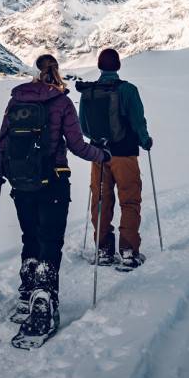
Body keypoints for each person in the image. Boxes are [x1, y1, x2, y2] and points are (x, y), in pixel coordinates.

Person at [0, 54, 110, 332]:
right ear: (57, 72)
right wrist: (102, 155)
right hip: (54, 180)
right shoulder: (62, 102)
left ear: (35, 72)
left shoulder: (16, 100)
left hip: (20, 182)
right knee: (50, 240)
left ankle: (26, 292)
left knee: (29, 237)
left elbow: (3, 140)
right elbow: (78, 146)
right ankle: (44, 296)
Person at [77, 48, 153, 270]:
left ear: (100, 66)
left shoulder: (89, 91)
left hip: (99, 155)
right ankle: (128, 252)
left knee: (100, 200)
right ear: (118, 66)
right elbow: (138, 120)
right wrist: (145, 140)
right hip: (124, 154)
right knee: (129, 200)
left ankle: (103, 249)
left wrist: (99, 141)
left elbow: (83, 126)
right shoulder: (128, 90)